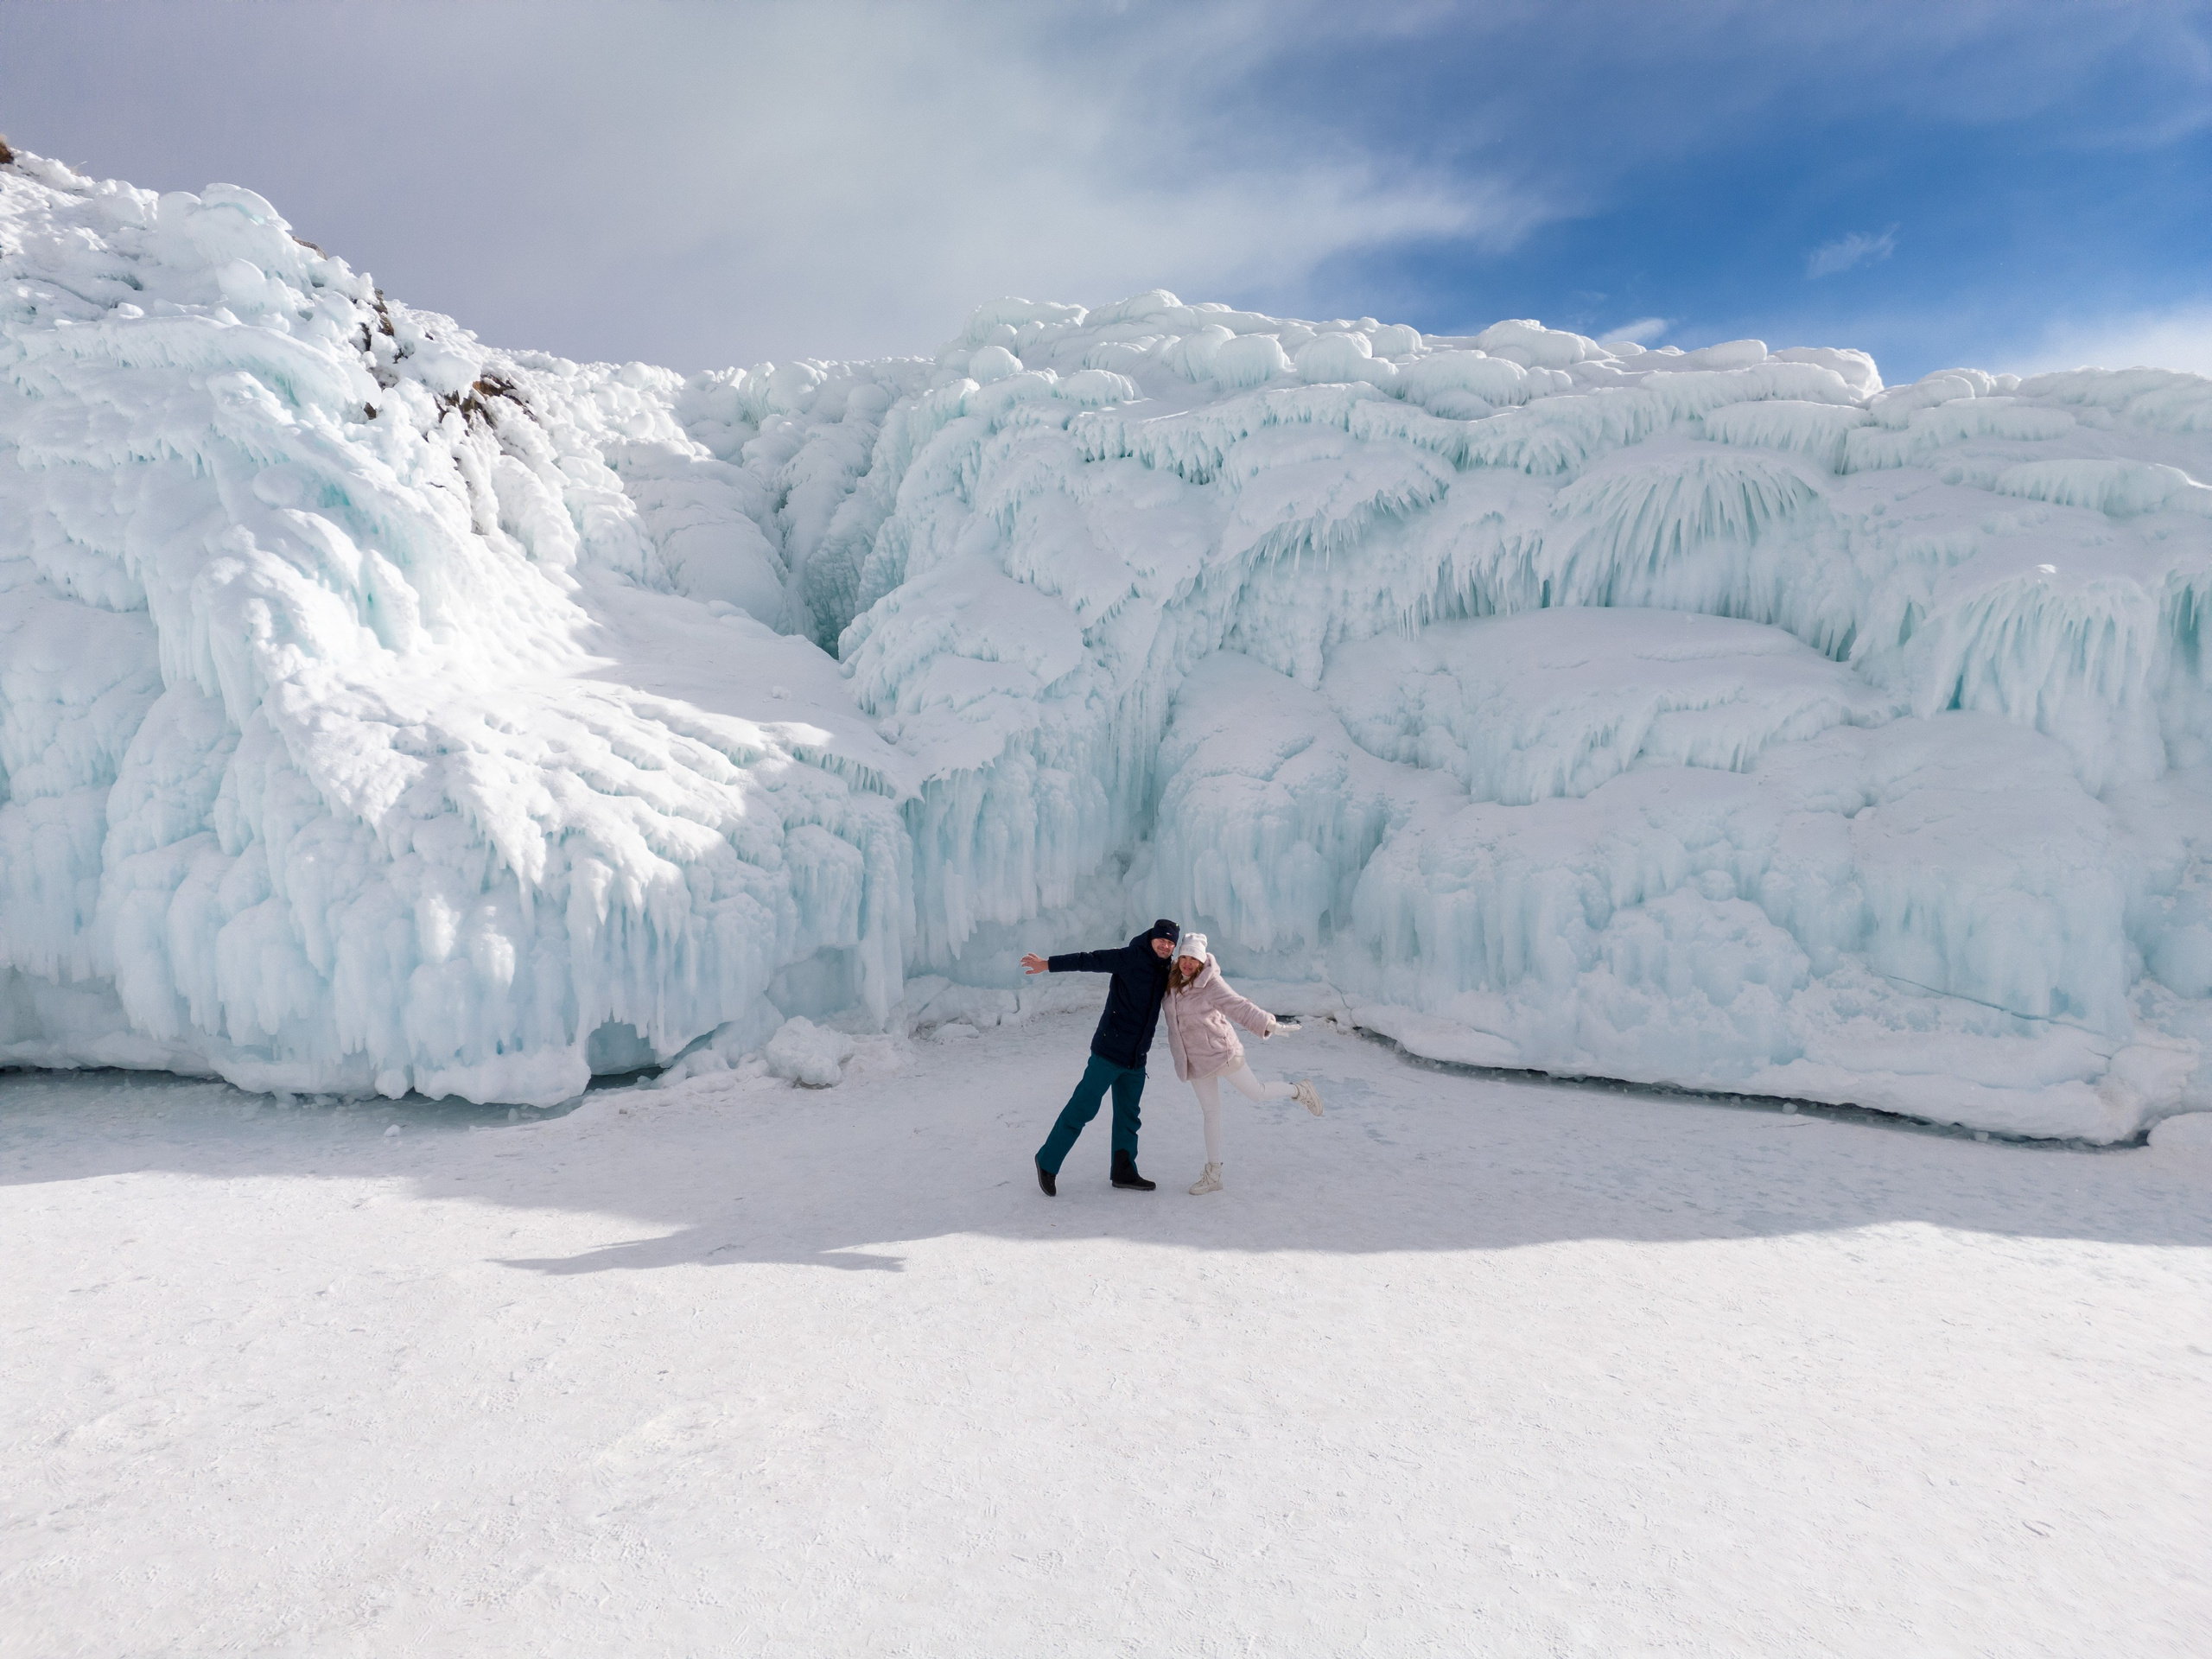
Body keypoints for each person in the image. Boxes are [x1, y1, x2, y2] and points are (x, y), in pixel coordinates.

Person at [1022, 919, 1180, 1195]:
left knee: (1129, 1116)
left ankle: (1124, 1171)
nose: (1165, 946)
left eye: (1171, 943)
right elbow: (1090, 960)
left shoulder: (1167, 969)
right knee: (1082, 1107)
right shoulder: (1130, 957)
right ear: (1152, 938)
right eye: (1162, 940)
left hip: (1136, 1058)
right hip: (1109, 1052)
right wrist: (1047, 964)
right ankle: (1047, 1160)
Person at [1160, 931, 1323, 1195]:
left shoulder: (1210, 984)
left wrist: (1268, 1023)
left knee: (1256, 1093)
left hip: (1222, 1054)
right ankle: (1214, 1175)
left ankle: (1300, 1090)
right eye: (1184, 957)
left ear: (1202, 961)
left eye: (1193, 959)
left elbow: (1238, 1006)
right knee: (1210, 1113)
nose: (1188, 963)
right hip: (1195, 1060)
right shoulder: (1172, 981)